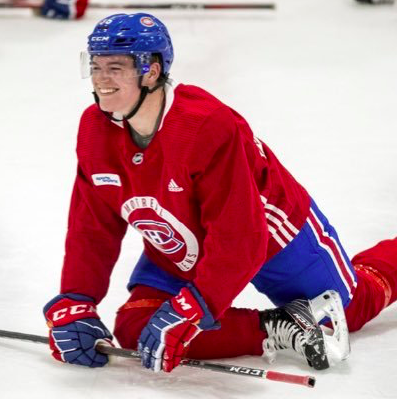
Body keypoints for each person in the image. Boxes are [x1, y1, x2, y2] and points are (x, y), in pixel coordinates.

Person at [43, 13, 397, 373]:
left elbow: (241, 237)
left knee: (345, 312)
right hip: (178, 239)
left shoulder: (204, 126)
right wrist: (78, 298)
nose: (102, 79)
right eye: (96, 66)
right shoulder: (93, 130)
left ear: (151, 71)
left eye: (115, 68)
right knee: (140, 329)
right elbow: (92, 227)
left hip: (270, 233)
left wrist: (198, 306)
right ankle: (278, 326)